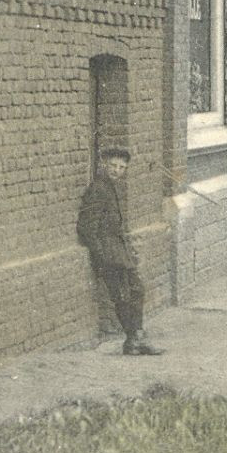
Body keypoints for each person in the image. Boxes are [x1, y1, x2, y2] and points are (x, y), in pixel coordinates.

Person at [76, 147, 163, 356]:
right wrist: (102, 256)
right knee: (124, 295)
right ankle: (133, 340)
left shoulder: (110, 186)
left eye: (122, 167)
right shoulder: (98, 188)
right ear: (104, 165)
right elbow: (87, 227)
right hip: (109, 253)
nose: (117, 170)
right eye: (113, 166)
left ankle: (136, 338)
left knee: (136, 291)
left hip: (117, 250)